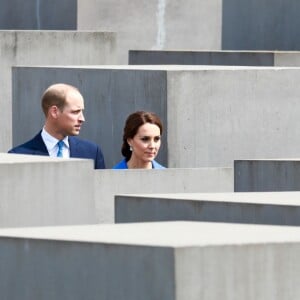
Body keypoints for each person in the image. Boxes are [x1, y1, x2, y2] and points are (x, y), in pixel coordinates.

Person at [8, 83, 105, 169]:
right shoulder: (18, 156)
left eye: (82, 111)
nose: (82, 119)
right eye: (75, 112)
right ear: (54, 112)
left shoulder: (92, 152)